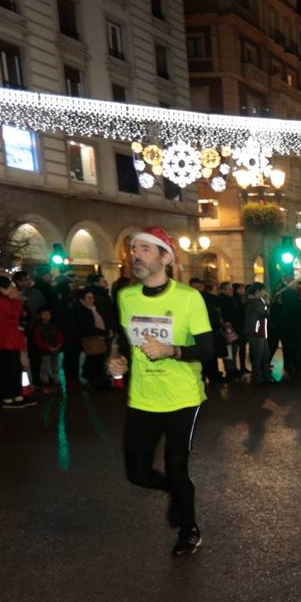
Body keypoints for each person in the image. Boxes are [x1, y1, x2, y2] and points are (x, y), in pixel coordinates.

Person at [106, 228, 214, 557]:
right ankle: (176, 493)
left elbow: (209, 348)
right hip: (143, 397)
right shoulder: (126, 296)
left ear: (166, 258)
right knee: (137, 472)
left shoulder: (188, 297)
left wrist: (172, 351)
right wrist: (117, 360)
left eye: (145, 249)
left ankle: (189, 528)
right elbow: (123, 341)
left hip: (183, 397)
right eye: (133, 248)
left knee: (176, 467)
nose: (135, 254)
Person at [0, 277, 33, 409]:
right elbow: (12, 314)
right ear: (2, 289)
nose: (13, 290)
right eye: (10, 287)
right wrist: (16, 301)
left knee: (14, 367)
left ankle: (16, 395)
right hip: (4, 339)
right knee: (8, 368)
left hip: (9, 338)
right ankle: (9, 396)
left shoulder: (1, 299)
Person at [243, 283, 273, 384]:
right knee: (258, 355)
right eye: (263, 290)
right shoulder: (254, 302)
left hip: (259, 331)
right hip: (256, 331)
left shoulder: (254, 301)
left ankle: (265, 376)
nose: (265, 293)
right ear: (257, 291)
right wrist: (267, 304)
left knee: (264, 354)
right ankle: (258, 378)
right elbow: (264, 313)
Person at [32, 306, 65, 393]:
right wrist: (48, 347)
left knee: (55, 368)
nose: (46, 316)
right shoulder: (38, 327)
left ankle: (56, 383)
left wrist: (58, 345)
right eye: (44, 314)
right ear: (40, 315)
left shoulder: (54, 326)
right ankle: (46, 384)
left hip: (53, 350)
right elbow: (38, 340)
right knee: (45, 368)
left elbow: (61, 336)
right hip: (45, 351)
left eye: (48, 314)